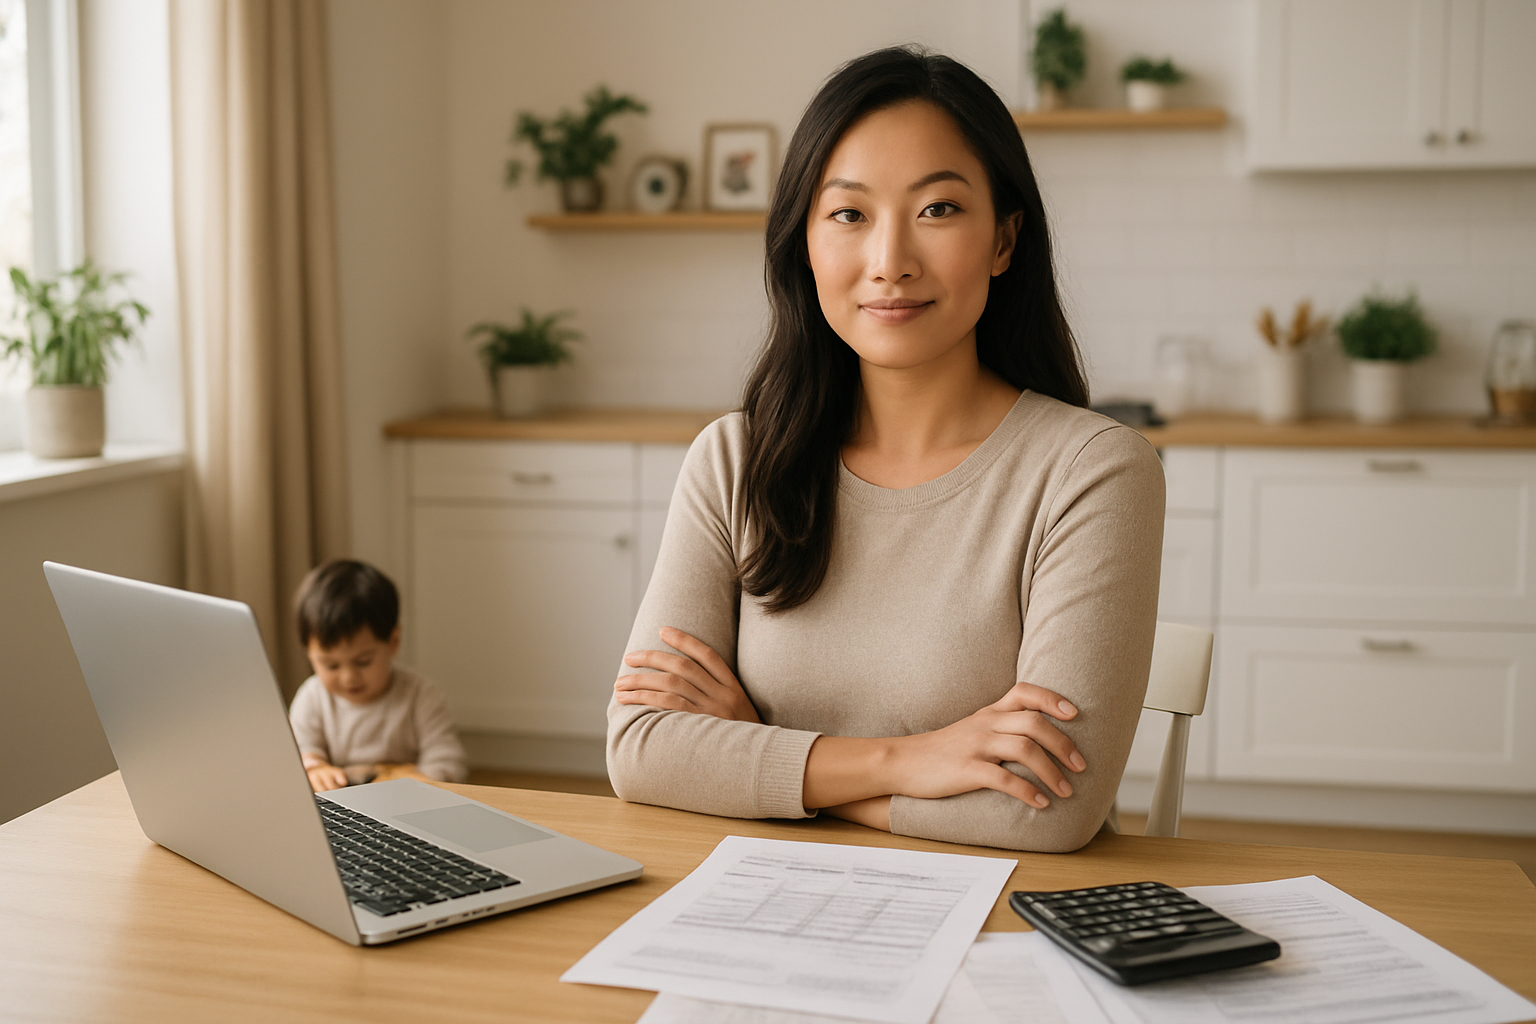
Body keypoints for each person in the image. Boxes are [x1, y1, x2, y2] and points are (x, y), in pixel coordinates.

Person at [607, 46, 1164, 853]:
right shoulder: (734, 462)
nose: (890, 263)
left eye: (938, 209)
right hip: (764, 912)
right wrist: (912, 761)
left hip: (1002, 924)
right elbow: (643, 753)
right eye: (849, 214)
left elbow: (1046, 811)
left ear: (1005, 240)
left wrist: (761, 752)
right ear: (804, 241)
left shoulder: (1094, 472)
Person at [289, 559, 468, 791]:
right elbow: (299, 751)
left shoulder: (420, 695)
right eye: (331, 665)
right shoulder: (312, 697)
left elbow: (448, 759)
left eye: (363, 662)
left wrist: (426, 780)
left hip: (404, 803)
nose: (348, 677)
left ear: (393, 642)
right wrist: (314, 768)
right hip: (341, 809)